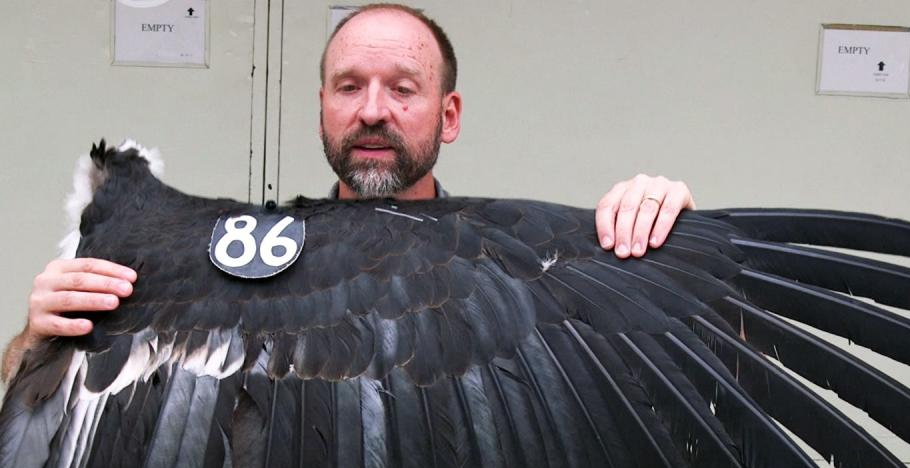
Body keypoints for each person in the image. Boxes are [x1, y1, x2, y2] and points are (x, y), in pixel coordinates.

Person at [1, 3, 694, 384]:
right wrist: (36, 341)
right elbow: (34, 414)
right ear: (322, 109)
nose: (372, 111)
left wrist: (670, 254)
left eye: (402, 88)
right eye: (349, 87)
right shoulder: (225, 270)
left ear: (447, 115)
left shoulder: (519, 274)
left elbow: (672, 400)